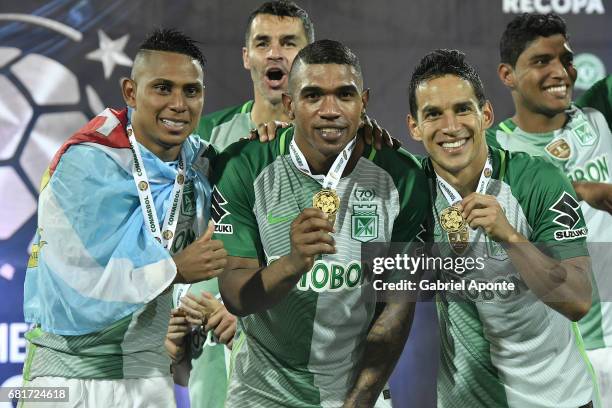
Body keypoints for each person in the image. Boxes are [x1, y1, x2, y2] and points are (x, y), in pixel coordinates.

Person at [211, 39, 428, 407]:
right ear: (289, 106)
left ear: (364, 103)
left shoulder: (403, 175)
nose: (330, 110)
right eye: (313, 96)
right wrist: (294, 262)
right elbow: (235, 296)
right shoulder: (244, 165)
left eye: (345, 95)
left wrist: (359, 400)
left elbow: (397, 304)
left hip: (357, 392)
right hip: (262, 392)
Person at [20, 29, 227, 407]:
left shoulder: (198, 163)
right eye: (163, 88)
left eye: (191, 91)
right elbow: (76, 295)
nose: (178, 104)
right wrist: (173, 269)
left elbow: (258, 169)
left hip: (148, 376)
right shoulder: (85, 164)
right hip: (68, 376)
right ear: (130, 92)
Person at [407, 49, 596, 407]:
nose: (450, 127)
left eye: (463, 109)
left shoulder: (537, 180)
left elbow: (578, 300)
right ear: (414, 127)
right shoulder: (409, 188)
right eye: (433, 114)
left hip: (558, 400)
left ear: (486, 115)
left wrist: (511, 238)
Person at [488, 13, 612, 405]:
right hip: (563, 355)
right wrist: (577, 190)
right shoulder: (493, 150)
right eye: (542, 61)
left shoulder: (596, 116)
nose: (560, 71)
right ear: (508, 75)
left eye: (566, 59)